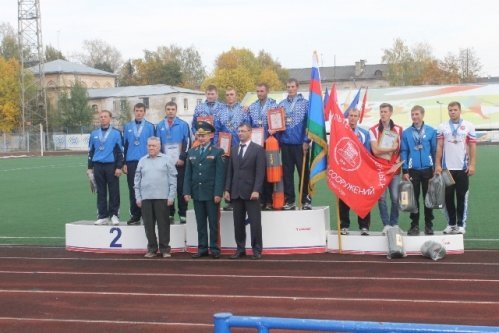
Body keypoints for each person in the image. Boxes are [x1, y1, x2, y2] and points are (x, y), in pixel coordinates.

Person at [183, 121, 226, 259]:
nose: (201, 138)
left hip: (211, 193)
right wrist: (187, 191)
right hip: (197, 192)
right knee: (200, 223)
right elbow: (188, 174)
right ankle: (202, 248)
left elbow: (220, 175)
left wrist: (218, 193)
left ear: (211, 136)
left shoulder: (217, 151)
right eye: (199, 135)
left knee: (213, 223)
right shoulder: (192, 152)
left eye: (204, 135)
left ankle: (214, 248)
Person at [224, 124, 266, 260]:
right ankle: (240, 249)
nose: (240, 133)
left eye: (243, 131)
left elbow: (260, 173)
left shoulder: (258, 150)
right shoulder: (234, 149)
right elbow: (230, 172)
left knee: (255, 223)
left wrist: (256, 190)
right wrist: (227, 189)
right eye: (239, 131)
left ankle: (257, 249)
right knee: (238, 223)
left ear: (250, 132)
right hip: (236, 192)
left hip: (251, 193)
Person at [435, 101, 477, 235]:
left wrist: (472, 164)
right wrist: (437, 165)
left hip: (462, 168)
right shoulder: (442, 127)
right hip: (447, 170)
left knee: (461, 197)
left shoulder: (469, 126)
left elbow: (472, 146)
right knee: (447, 198)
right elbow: (440, 146)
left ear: (460, 110)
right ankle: (451, 223)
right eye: (450, 110)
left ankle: (460, 224)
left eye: (454, 110)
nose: (452, 112)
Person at [134, 137, 177, 258]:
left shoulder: (167, 160)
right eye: (149, 146)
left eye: (154, 146)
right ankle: (152, 248)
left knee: (163, 224)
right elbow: (136, 181)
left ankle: (165, 249)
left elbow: (173, 179)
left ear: (159, 146)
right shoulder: (142, 161)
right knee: (148, 225)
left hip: (162, 197)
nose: (151, 148)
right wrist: (138, 197)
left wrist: (171, 196)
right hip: (146, 198)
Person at [400, 105, 437, 235]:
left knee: (428, 199)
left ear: (422, 114)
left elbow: (434, 151)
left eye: (417, 114)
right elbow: (404, 151)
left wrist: (435, 168)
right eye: (412, 114)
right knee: (413, 200)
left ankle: (428, 225)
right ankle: (414, 225)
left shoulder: (431, 131)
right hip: (413, 170)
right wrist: (405, 170)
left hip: (428, 170)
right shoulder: (406, 133)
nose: (414, 117)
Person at [276, 78, 311, 210]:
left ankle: (306, 199)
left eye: (292, 86)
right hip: (286, 144)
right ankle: (290, 200)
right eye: (288, 87)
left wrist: (306, 141)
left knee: (304, 173)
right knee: (287, 173)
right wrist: (279, 143)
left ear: (297, 87)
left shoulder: (305, 104)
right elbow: (277, 124)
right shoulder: (281, 105)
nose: (290, 89)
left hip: (300, 144)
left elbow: (310, 124)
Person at [369, 103, 403, 234]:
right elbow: (376, 151)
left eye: (385, 112)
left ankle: (394, 223)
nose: (382, 114)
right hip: (380, 170)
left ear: (391, 113)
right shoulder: (373, 130)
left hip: (394, 170)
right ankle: (386, 224)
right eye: (381, 111)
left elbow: (401, 149)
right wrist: (391, 149)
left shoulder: (399, 129)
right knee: (381, 198)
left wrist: (398, 160)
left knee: (395, 198)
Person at [214, 87, 249, 211]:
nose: (229, 96)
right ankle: (229, 200)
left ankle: (240, 199)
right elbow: (216, 130)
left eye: (232, 94)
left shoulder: (243, 110)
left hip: (239, 146)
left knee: (239, 173)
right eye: (227, 94)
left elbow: (247, 127)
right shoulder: (219, 111)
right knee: (226, 174)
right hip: (224, 148)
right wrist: (216, 147)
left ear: (236, 95)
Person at [87, 110, 124, 225]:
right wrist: (89, 167)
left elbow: (120, 152)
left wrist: (119, 167)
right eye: (101, 117)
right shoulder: (93, 134)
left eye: (105, 116)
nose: (103, 118)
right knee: (100, 191)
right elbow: (91, 151)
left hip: (111, 166)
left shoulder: (116, 133)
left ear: (110, 118)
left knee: (114, 191)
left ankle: (114, 215)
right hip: (98, 166)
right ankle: (102, 216)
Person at [156, 101, 191, 224]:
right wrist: (161, 159)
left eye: (173, 109)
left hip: (180, 162)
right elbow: (157, 144)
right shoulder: (159, 125)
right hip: (165, 163)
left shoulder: (183, 124)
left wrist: (182, 158)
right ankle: (170, 213)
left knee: (181, 189)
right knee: (167, 188)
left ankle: (183, 213)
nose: (170, 111)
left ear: (176, 111)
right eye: (168, 109)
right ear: (165, 111)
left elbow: (187, 143)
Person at [339, 109, 371, 236]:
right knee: (344, 198)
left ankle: (364, 226)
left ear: (359, 118)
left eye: (355, 116)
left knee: (362, 198)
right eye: (350, 116)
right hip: (345, 172)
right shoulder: (341, 132)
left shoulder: (364, 133)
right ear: (348, 117)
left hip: (360, 173)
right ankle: (344, 225)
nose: (352, 118)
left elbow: (368, 153)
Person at [122, 103, 156, 225]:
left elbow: (154, 145)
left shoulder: (150, 127)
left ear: (144, 112)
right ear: (134, 111)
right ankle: (135, 215)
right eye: (137, 110)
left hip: (146, 161)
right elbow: (125, 145)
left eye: (141, 111)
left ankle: (148, 215)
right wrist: (124, 162)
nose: (139, 113)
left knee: (147, 187)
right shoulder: (127, 126)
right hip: (131, 162)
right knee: (133, 189)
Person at [248, 83, 278, 210]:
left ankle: (270, 200)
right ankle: (259, 199)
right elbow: (248, 124)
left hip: (269, 143)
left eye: (261, 91)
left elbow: (278, 122)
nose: (259, 93)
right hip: (256, 143)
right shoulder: (252, 107)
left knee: (269, 171)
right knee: (258, 172)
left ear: (267, 91)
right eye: (257, 91)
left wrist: (275, 129)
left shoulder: (274, 105)